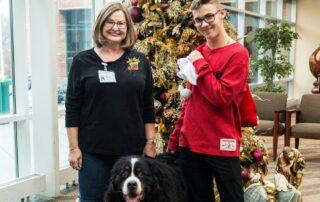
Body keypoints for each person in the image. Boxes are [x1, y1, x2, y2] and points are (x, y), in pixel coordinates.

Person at [65, 2, 156, 202]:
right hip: (93, 153)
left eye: (121, 23)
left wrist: (150, 142)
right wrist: (73, 148)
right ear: (100, 24)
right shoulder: (82, 61)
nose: (116, 28)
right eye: (110, 22)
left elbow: (148, 106)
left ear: (128, 28)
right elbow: (72, 107)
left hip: (132, 152)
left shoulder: (139, 61)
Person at [168, 0, 250, 201]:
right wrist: (175, 136)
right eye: (198, 20)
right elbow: (191, 100)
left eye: (209, 17)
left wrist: (200, 64)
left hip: (223, 143)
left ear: (221, 13)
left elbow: (222, 97)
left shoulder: (237, 54)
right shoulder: (200, 52)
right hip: (191, 144)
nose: (204, 24)